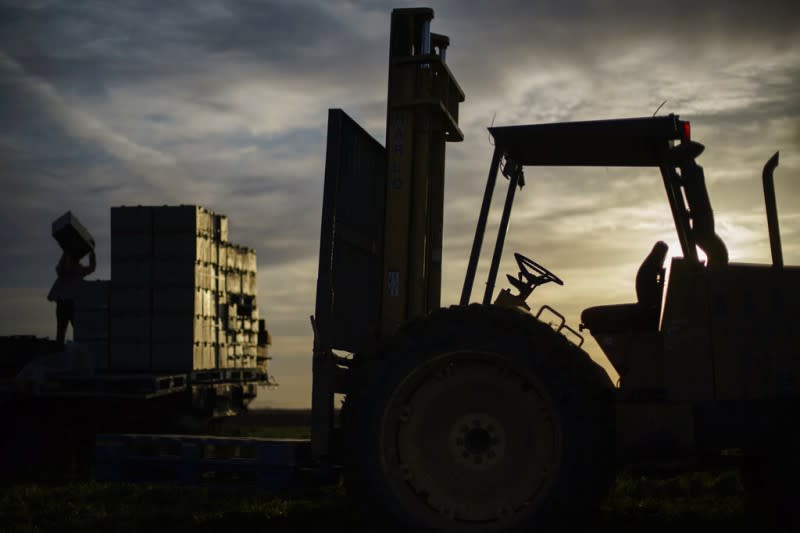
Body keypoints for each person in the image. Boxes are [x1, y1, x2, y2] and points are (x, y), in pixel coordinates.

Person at [47, 248, 96, 348]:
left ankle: (77, 348)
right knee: (62, 329)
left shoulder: (78, 270)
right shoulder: (63, 270)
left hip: (73, 304)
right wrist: (67, 251)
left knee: (75, 329)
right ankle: (60, 350)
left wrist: (92, 254)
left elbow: (91, 268)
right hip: (64, 304)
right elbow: (62, 267)